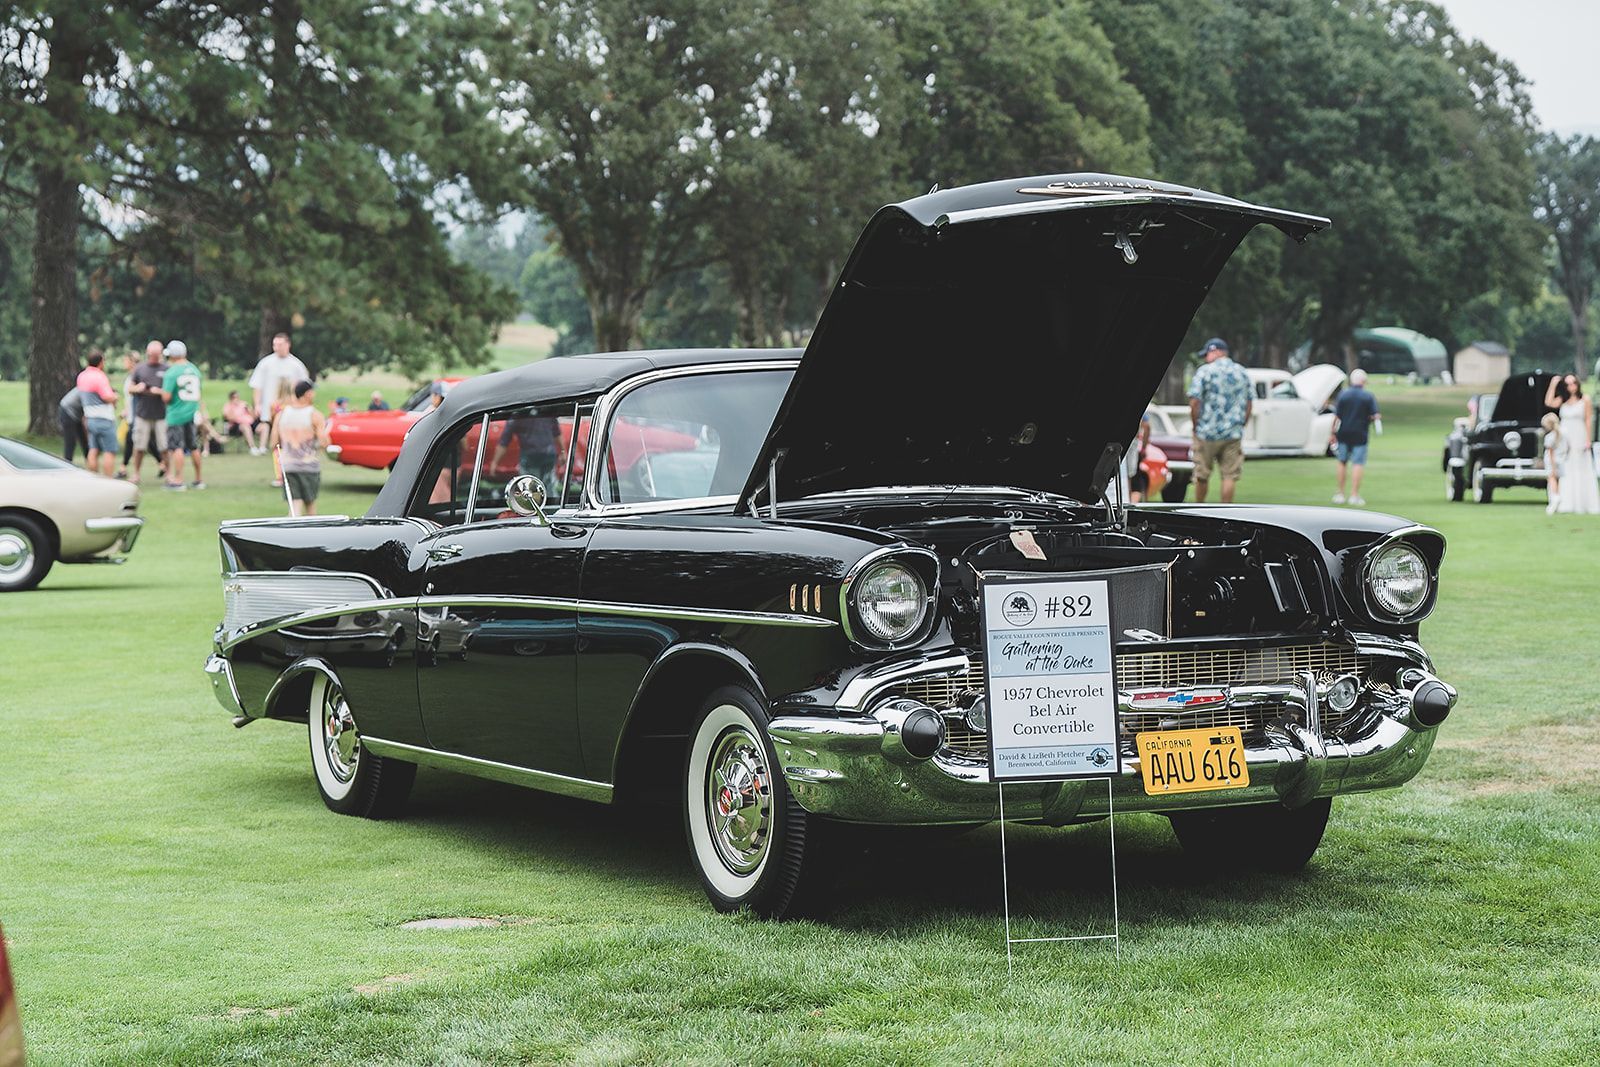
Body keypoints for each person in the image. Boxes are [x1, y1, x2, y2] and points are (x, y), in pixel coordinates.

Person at [1187, 338, 1252, 503]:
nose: (1205, 358)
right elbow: (1250, 402)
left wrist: (1196, 425)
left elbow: (1195, 402)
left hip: (1206, 432)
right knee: (1229, 475)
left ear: (1215, 351)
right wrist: (1241, 424)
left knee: (1202, 475)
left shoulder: (1205, 371)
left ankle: (1199, 510)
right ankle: (1226, 513)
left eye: (1207, 354)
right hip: (1232, 433)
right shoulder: (1241, 372)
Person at [270, 380, 329, 515]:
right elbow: (324, 442)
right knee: (310, 505)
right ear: (307, 394)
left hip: (288, 465)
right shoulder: (315, 415)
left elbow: (273, 442)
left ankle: (290, 533)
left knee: (294, 505)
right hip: (308, 466)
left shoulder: (281, 414)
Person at [1543, 373, 1599, 514]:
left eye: (1573, 383)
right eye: (1567, 384)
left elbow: (1588, 419)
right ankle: (1565, 501)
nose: (1571, 386)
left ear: (1577, 384)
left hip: (1579, 435)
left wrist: (1588, 439)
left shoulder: (1584, 399)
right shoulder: (1563, 400)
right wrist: (1553, 384)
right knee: (1566, 467)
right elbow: (1549, 403)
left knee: (1581, 467)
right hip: (1565, 438)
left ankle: (1584, 502)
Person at [1330, 368, 1381, 506]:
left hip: (1344, 432)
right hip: (1360, 433)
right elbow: (1375, 415)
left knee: (1342, 461)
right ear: (1363, 381)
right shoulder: (1368, 396)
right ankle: (1354, 494)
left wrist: (1332, 433)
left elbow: (1336, 416)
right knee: (1357, 463)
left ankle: (1340, 493)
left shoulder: (1343, 395)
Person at [158, 340, 204, 490]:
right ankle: (198, 479)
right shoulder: (194, 369)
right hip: (191, 412)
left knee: (176, 447)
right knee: (193, 446)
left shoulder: (172, 372)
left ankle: (178, 480)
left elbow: (166, 397)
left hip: (176, 414)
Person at [127, 340, 169, 484]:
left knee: (164, 446)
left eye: (157, 355)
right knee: (139, 446)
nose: (155, 357)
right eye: (152, 355)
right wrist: (138, 388)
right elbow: (130, 389)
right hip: (143, 414)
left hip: (161, 414)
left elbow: (171, 392)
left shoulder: (166, 369)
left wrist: (159, 391)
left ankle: (169, 474)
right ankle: (136, 474)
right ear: (148, 353)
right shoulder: (140, 369)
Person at [248, 332, 310, 429]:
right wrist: (257, 404)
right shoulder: (265, 363)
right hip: (269, 407)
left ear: (288, 345)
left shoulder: (296, 365)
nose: (277, 348)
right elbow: (257, 386)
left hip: (290, 406)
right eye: (275, 345)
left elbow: (305, 388)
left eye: (280, 345)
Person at [77, 350, 120, 477]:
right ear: (101, 362)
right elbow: (107, 397)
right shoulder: (99, 376)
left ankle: (93, 477)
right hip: (104, 418)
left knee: (93, 449)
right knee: (109, 451)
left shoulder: (82, 376)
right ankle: (108, 479)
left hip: (90, 418)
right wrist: (115, 396)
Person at [57, 379, 87, 464]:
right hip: (66, 411)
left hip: (75, 414)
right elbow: (86, 416)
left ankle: (89, 458)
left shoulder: (88, 387)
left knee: (83, 438)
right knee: (71, 440)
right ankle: (67, 462)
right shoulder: (87, 391)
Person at [1541, 412, 1562, 514]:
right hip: (1561, 460)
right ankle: (1556, 497)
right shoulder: (1561, 435)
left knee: (1551, 478)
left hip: (1552, 462)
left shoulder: (1549, 437)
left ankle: (1555, 497)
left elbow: (1550, 453)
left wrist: (1552, 466)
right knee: (1557, 480)